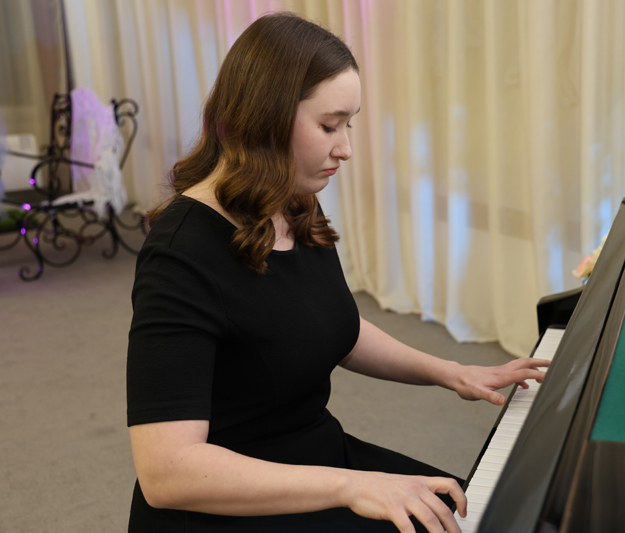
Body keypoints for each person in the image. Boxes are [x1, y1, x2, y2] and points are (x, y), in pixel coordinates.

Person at [126, 13, 549, 533]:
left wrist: (451, 371)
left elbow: (329, 325)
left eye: (349, 124)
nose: (345, 147)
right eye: (329, 126)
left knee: (493, 514)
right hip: (233, 500)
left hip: (313, 456)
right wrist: (353, 486)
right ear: (263, 120)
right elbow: (167, 472)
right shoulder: (180, 255)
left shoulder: (293, 201)